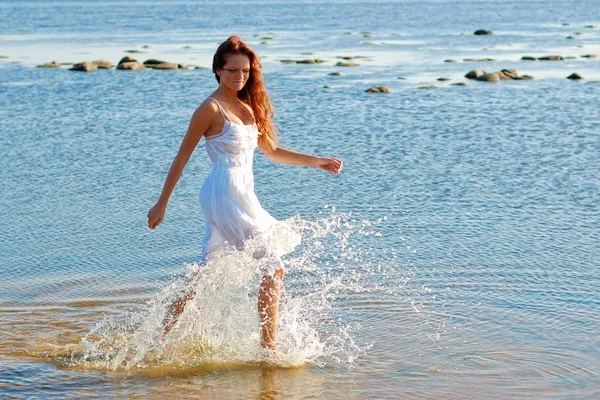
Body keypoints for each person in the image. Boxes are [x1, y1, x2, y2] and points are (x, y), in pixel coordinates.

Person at [146, 35, 343, 352]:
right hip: (223, 190)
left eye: (245, 71)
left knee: (205, 276)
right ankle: (270, 350)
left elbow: (273, 151)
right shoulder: (209, 108)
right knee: (273, 265)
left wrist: (316, 161)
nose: (240, 77)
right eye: (233, 70)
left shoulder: (249, 107)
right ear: (218, 70)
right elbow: (181, 156)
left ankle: (156, 342)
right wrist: (161, 203)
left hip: (243, 191)